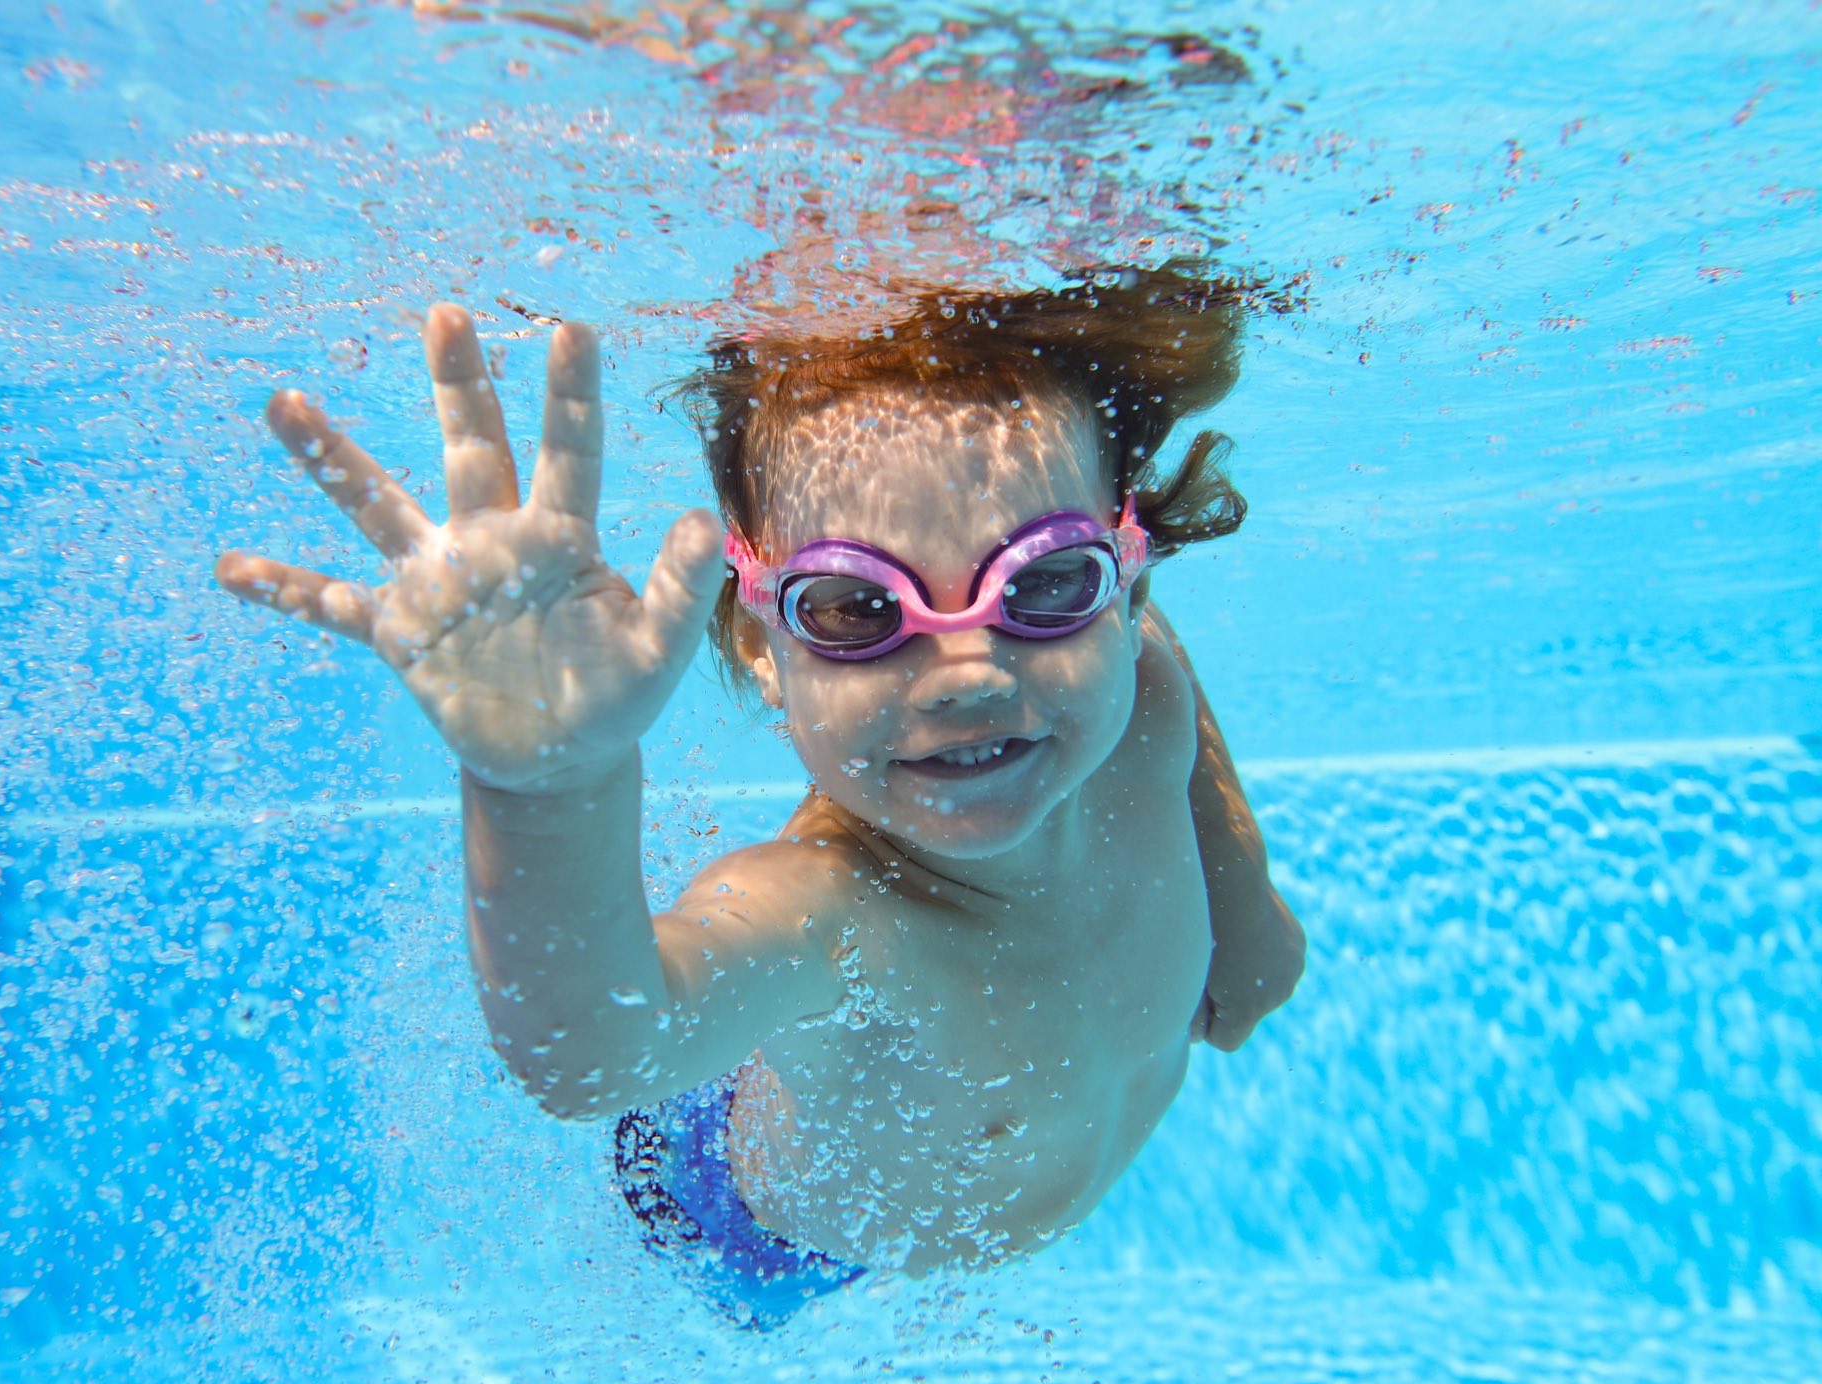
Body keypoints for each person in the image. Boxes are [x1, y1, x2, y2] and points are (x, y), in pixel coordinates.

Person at [215, 264, 1304, 1326]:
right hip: (742, 1218)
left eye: (1046, 582)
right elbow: (590, 1052)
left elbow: (1244, 959)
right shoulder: (824, 913)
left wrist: (1249, 930)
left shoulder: (1147, 685)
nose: (970, 668)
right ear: (763, 647)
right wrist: (547, 786)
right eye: (851, 609)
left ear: (1125, 589)